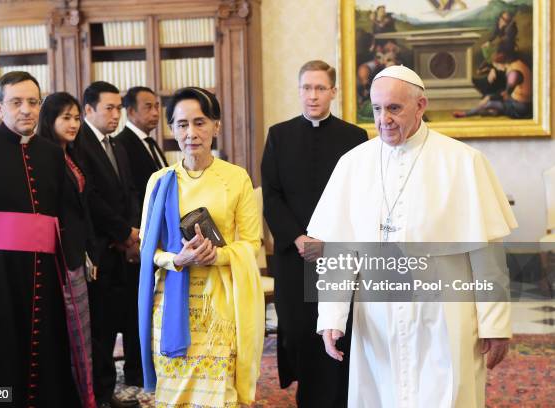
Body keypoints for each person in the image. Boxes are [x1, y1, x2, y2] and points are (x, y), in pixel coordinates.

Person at [310, 65, 517, 407]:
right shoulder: (353, 164)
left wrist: (494, 322)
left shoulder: (463, 162)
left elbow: (487, 255)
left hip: (444, 316)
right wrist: (331, 317)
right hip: (377, 317)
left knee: (444, 394)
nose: (383, 119)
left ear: (420, 105)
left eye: (394, 108)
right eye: (376, 109)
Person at [0, 72, 86, 406]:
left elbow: (63, 216)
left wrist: (74, 267)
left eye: (33, 102)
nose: (26, 109)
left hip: (43, 276)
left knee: (43, 353)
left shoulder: (52, 154)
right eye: (16, 102)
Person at [138, 87, 264, 407]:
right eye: (182, 124)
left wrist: (217, 255)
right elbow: (147, 251)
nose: (191, 133)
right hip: (171, 305)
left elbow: (252, 244)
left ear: (216, 126)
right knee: (174, 390)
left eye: (200, 122)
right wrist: (177, 259)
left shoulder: (236, 178)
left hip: (220, 303)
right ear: (172, 129)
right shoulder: (159, 180)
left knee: (217, 392)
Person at [260, 60, 367, 407]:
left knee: (339, 328)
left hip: (339, 254)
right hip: (295, 255)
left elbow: (360, 195)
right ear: (299, 90)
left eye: (320, 88)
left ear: (333, 92)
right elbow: (271, 194)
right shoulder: (279, 134)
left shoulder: (355, 137)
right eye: (306, 87)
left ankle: (341, 397)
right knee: (298, 330)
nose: (313, 95)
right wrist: (297, 237)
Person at [78, 81, 141, 408]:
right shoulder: (80, 144)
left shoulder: (117, 145)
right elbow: (91, 198)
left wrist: (133, 231)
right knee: (99, 329)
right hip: (100, 248)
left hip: (122, 246)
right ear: (89, 109)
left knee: (120, 317)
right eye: (110, 108)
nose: (117, 114)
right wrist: (121, 233)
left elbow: (129, 191)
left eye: (119, 108)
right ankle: (100, 394)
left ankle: (108, 390)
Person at [38, 92, 98, 407]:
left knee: (83, 334)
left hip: (77, 255)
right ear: (49, 120)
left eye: (76, 117)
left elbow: (82, 210)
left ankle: (84, 395)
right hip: (55, 258)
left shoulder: (73, 156)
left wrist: (89, 251)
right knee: (66, 334)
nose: (74, 123)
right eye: (66, 117)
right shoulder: (43, 157)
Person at [116, 86, 168, 206]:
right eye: (148, 107)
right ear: (130, 111)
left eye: (156, 106)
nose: (155, 113)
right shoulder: (121, 143)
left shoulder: (150, 142)